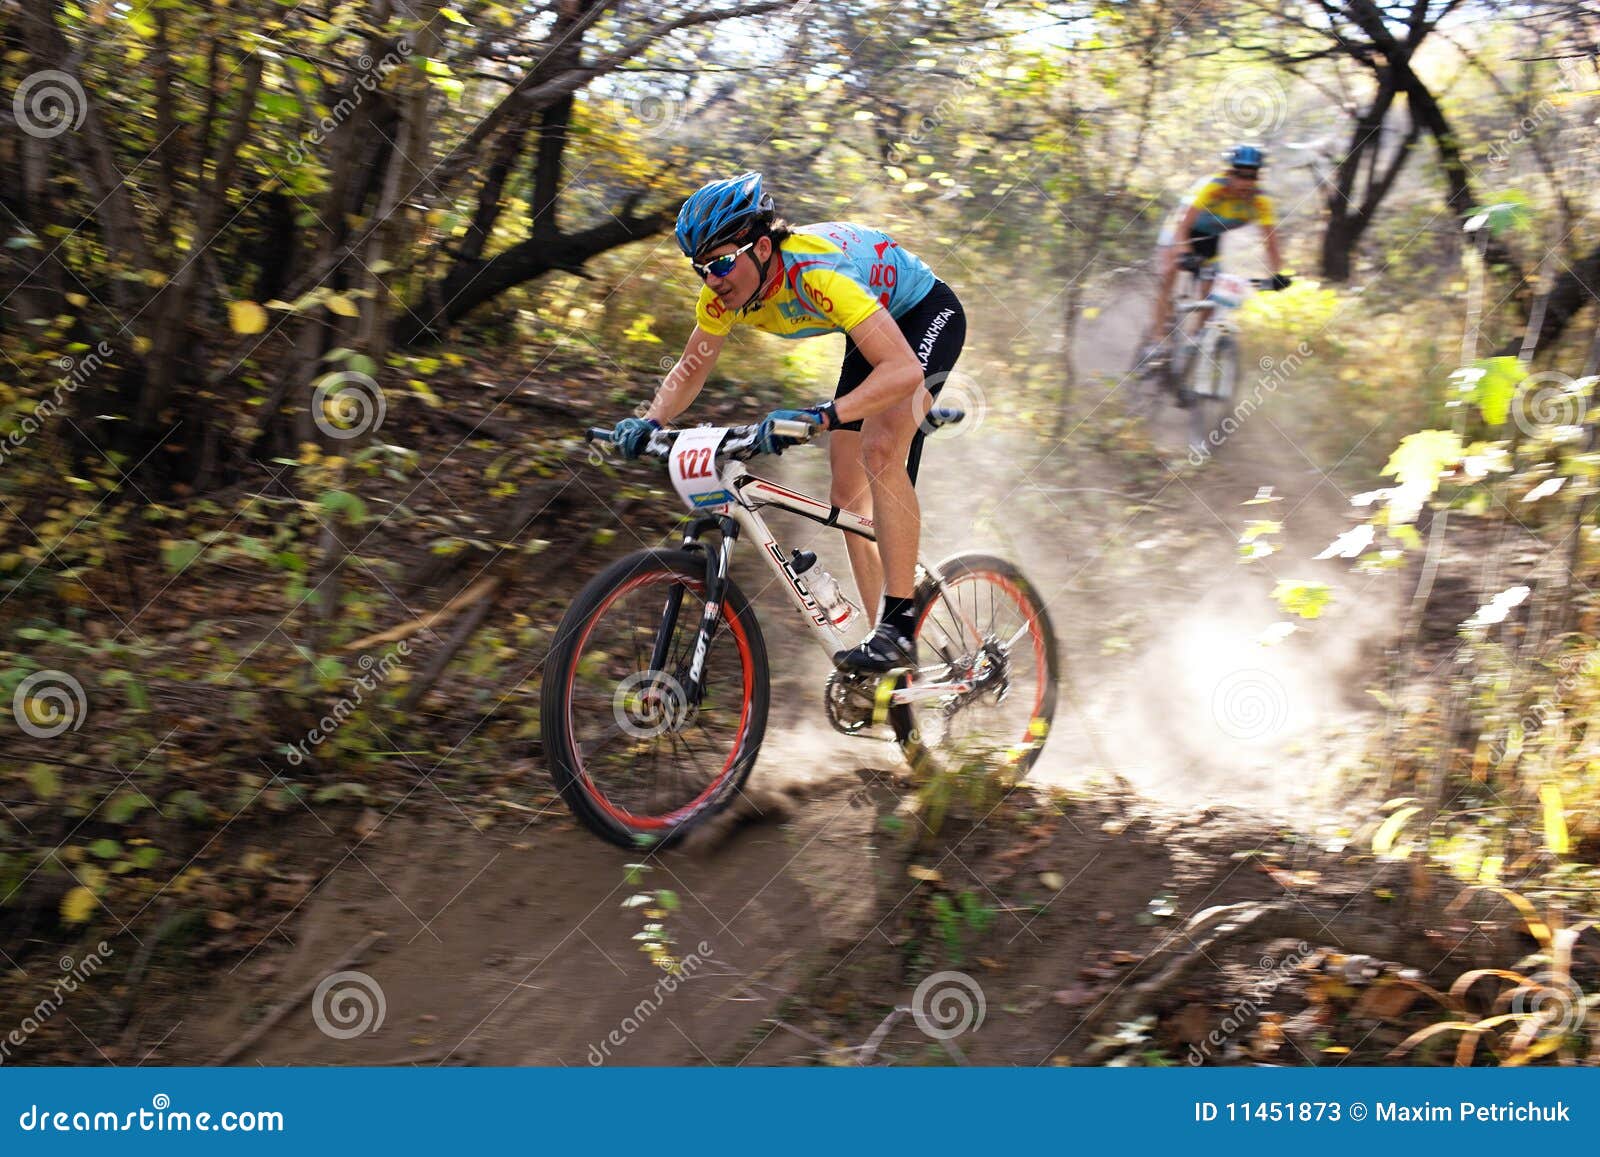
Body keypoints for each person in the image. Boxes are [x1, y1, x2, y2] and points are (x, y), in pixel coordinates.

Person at [610, 172, 966, 673]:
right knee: (846, 495)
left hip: (924, 311)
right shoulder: (721, 295)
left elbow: (904, 371)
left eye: (721, 263)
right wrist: (650, 420)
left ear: (761, 248)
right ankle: (883, 657)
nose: (712, 280)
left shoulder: (816, 275)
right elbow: (692, 368)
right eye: (701, 268)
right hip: (870, 323)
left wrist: (824, 415)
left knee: (880, 449)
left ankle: (900, 627)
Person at [1149, 144, 1290, 355]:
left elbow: (1271, 243)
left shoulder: (1260, 201)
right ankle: (1157, 339)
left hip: (1210, 238)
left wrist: (1277, 274)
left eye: (1251, 176)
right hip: (1180, 229)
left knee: (1213, 289)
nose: (1245, 182)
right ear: (1229, 173)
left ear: (1258, 177)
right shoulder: (1214, 188)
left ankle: (1196, 340)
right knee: (1169, 271)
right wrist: (1184, 253)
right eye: (1240, 175)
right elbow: (1183, 226)